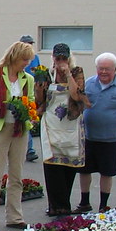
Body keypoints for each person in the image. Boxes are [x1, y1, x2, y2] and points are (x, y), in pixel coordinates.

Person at [0, 40, 37, 231]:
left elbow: (32, 102)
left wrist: (29, 118)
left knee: (16, 175)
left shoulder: (28, 79)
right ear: (14, 57)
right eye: (24, 59)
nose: (26, 63)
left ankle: (14, 216)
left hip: (19, 130)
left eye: (28, 60)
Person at [75, 52, 116, 213]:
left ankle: (103, 206)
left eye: (107, 69)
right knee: (84, 171)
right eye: (101, 69)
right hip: (88, 138)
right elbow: (77, 105)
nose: (103, 72)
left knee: (107, 172)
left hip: (111, 140)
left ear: (115, 69)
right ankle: (84, 202)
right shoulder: (89, 84)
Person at [34, 43, 89, 217]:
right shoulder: (46, 73)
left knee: (68, 161)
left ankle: (64, 204)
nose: (60, 61)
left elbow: (76, 95)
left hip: (70, 123)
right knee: (52, 162)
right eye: (58, 58)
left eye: (64, 58)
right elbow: (39, 99)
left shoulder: (77, 72)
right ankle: (55, 205)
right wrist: (40, 85)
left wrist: (67, 74)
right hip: (52, 123)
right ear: (53, 58)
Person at [20, 35, 41, 162]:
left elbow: (38, 72)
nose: (30, 46)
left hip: (31, 90)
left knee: (27, 120)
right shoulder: (17, 58)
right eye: (27, 44)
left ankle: (29, 149)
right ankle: (27, 149)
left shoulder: (35, 57)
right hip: (21, 90)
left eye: (31, 44)